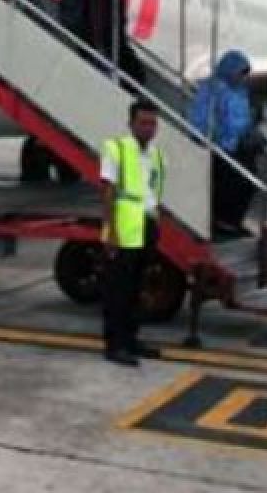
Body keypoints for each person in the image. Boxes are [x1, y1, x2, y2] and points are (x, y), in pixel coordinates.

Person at [100, 100, 165, 367]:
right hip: (124, 229)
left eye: (153, 123)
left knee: (138, 287)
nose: (148, 128)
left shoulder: (155, 154)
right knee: (119, 290)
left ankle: (131, 339)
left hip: (147, 225)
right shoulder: (116, 149)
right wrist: (111, 232)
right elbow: (108, 192)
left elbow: (152, 190)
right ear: (131, 123)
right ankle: (115, 344)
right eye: (143, 122)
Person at [189, 50, 258, 236]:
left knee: (249, 180)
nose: (243, 78)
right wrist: (223, 140)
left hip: (239, 146)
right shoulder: (212, 91)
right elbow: (200, 121)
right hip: (219, 148)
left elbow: (243, 120)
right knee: (234, 182)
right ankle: (224, 220)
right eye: (240, 73)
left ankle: (233, 219)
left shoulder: (241, 93)